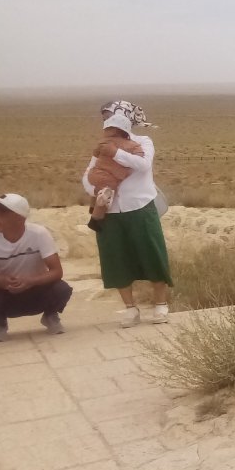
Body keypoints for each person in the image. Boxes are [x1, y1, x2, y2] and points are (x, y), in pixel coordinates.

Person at [81, 112, 173, 326]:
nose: (110, 133)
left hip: (140, 207)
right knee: (116, 258)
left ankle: (161, 304)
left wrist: (115, 153)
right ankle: (130, 308)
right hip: (110, 211)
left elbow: (143, 165)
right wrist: (97, 189)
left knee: (152, 253)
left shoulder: (141, 142)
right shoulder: (101, 147)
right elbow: (88, 174)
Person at [0, 193, 72, 341]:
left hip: (36, 292)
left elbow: (57, 271)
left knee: (62, 289)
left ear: (19, 218)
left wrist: (30, 281)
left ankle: (50, 314)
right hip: (5, 294)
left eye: (0, 213)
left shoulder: (38, 234)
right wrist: (2, 281)